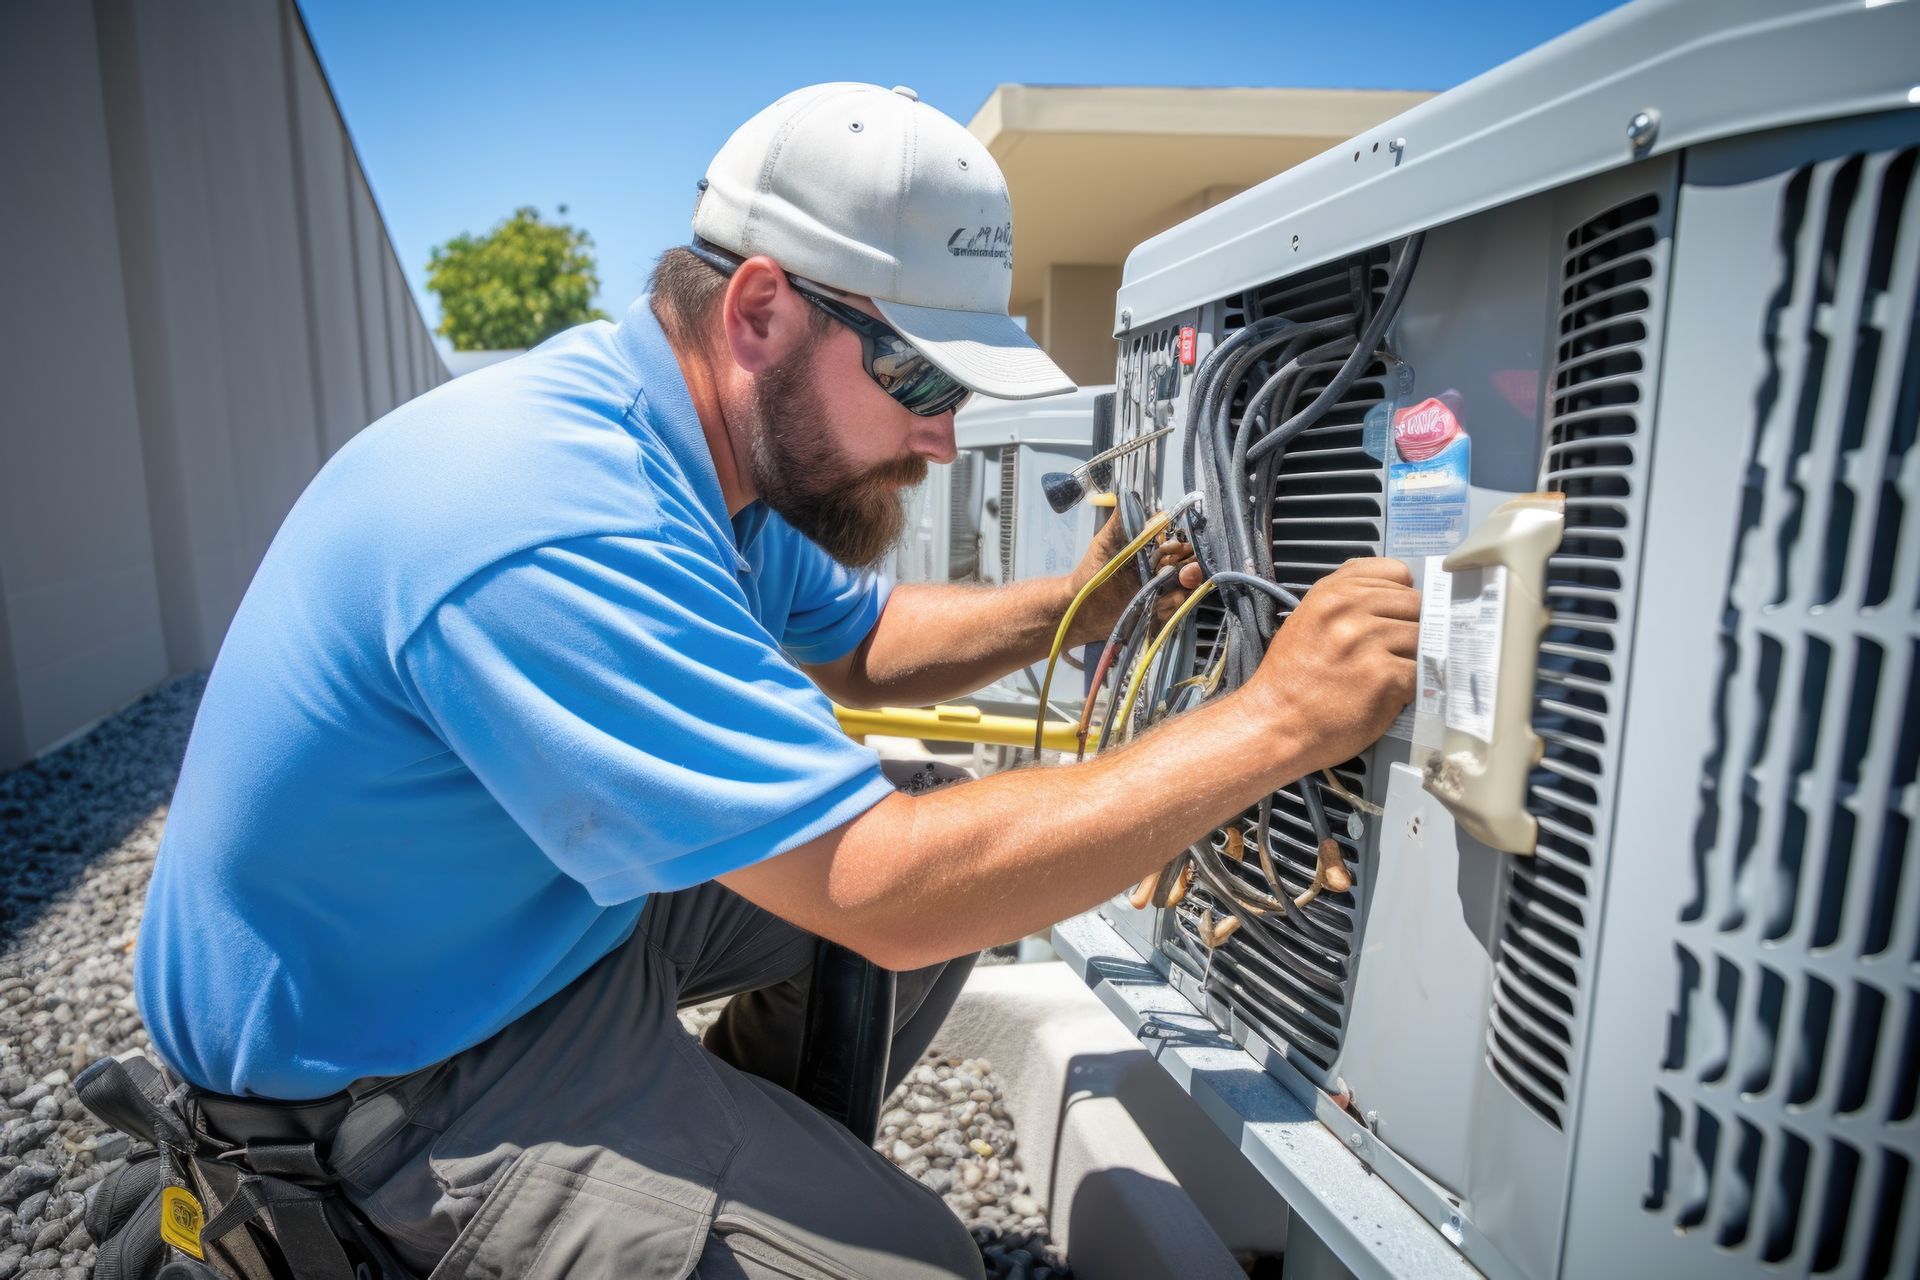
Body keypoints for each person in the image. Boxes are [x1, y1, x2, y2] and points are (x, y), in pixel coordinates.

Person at [134, 83, 1417, 1277]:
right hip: (395, 1083)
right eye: (918, 375)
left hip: (515, 932)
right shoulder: (557, 517)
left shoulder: (705, 455)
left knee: (919, 801)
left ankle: (740, 1165)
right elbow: (886, 887)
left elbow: (862, 639)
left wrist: (1093, 603)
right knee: (927, 1263)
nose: (943, 432)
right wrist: (1278, 720)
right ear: (758, 313)